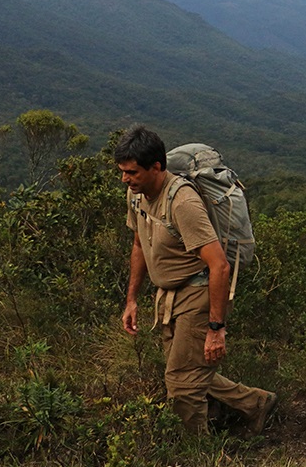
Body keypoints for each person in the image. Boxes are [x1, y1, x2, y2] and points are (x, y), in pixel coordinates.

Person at [115, 125, 276, 435]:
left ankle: (196, 453)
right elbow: (139, 245)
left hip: (198, 292)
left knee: (182, 385)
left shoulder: (182, 203)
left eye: (132, 172)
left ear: (156, 167)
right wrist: (131, 299)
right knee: (185, 369)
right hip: (168, 295)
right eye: (122, 171)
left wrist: (216, 328)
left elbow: (219, 266)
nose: (125, 179)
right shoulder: (136, 195)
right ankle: (255, 403)